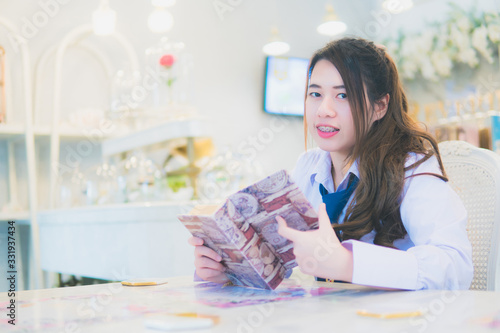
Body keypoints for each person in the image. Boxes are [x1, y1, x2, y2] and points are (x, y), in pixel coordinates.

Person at [188, 37, 473, 290]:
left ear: (380, 106)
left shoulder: (410, 168)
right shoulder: (309, 166)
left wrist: (348, 263)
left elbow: (456, 265)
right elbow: (281, 265)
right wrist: (225, 270)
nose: (323, 110)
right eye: (315, 94)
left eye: (343, 95)